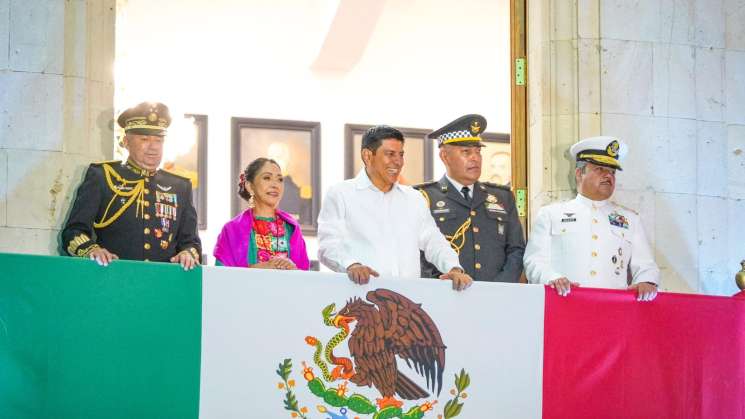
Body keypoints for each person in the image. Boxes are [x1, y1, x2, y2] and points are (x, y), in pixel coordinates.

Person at [317, 125, 473, 291]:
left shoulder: (414, 198)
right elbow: (328, 246)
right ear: (368, 156)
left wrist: (453, 268)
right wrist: (351, 265)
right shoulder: (341, 194)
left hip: (408, 302)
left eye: (401, 155)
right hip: (362, 299)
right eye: (390, 154)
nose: (398, 162)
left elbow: (433, 241)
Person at [61, 102, 201, 270]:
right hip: (113, 280)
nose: (153, 147)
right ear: (126, 141)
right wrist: (93, 250)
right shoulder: (103, 176)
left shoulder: (180, 186)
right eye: (144, 139)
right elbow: (74, 232)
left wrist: (187, 253)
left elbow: (190, 242)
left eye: (159, 140)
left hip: (163, 286)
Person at [523, 136, 660, 301]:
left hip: (613, 309)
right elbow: (534, 261)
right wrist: (552, 278)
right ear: (579, 173)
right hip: (563, 304)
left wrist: (646, 282)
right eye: (600, 169)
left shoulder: (630, 219)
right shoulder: (551, 214)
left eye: (612, 172)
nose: (608, 176)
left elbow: (646, 265)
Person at [415, 114, 525, 283]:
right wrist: (441, 283)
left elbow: (516, 250)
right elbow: (418, 250)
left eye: (478, 151)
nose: (475, 158)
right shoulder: (424, 196)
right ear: (444, 156)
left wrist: (500, 287)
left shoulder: (502, 196)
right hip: (446, 295)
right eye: (466, 152)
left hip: (496, 296)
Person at [213, 158, 309, 270]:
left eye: (279, 179)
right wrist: (261, 268)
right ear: (250, 186)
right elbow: (221, 279)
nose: (275, 185)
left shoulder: (291, 228)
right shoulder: (232, 230)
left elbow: (305, 278)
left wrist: (294, 270)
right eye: (267, 178)